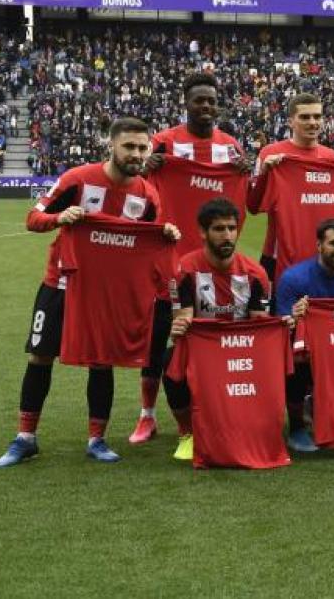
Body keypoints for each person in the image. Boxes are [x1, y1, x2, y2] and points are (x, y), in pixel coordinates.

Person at [0, 117, 180, 468]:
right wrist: (60, 217)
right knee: (40, 355)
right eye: (129, 146)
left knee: (102, 359)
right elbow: (33, 219)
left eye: (143, 148)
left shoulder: (148, 195)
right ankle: (25, 438)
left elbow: (151, 244)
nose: (136, 153)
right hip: (61, 285)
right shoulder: (77, 179)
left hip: (107, 293)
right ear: (111, 144)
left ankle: (97, 439)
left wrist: (166, 233)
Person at [130, 73, 252, 446]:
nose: (206, 106)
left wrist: (245, 172)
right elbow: (135, 188)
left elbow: (242, 202)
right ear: (186, 102)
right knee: (155, 343)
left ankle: (218, 407)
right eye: (199, 100)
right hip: (166, 261)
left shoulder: (230, 148)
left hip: (212, 267)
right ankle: (146, 416)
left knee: (214, 337)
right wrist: (146, 168)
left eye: (212, 101)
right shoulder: (164, 143)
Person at [162, 198, 276, 461]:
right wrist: (178, 326)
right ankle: (187, 433)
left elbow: (259, 325)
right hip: (203, 352)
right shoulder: (184, 270)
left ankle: (257, 425)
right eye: (219, 229)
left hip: (242, 351)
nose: (227, 235)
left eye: (231, 228)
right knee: (170, 360)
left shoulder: (256, 274)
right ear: (203, 232)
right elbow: (184, 319)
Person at [274, 218, 334, 452]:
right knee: (293, 362)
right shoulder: (293, 279)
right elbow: (281, 328)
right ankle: (297, 427)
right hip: (306, 353)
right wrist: (296, 317)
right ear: (319, 245)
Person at [247, 93, 334, 282]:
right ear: (290, 121)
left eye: (317, 116)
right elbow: (253, 207)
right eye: (305, 117)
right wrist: (265, 173)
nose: (313, 122)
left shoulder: (333, 158)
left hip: (321, 257)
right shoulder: (270, 153)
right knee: (277, 311)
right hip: (277, 254)